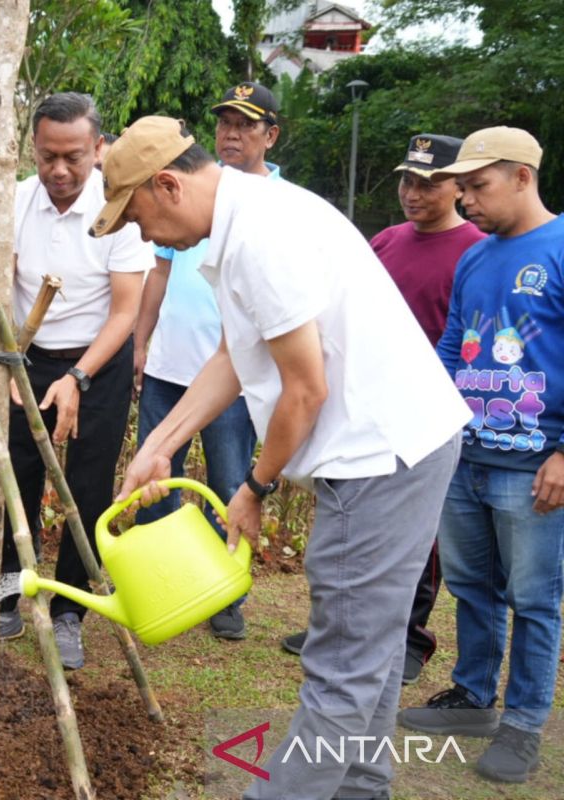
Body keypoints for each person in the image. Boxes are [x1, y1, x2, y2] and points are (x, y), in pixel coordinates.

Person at [98, 116, 469, 800]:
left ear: (168, 184)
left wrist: (254, 487)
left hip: (380, 455)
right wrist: (159, 445)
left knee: (343, 662)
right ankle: (362, 789)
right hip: (399, 443)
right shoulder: (247, 220)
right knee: (373, 644)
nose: (140, 233)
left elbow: (304, 389)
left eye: (136, 214)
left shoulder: (261, 238)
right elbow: (237, 354)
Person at [281, 134, 485, 684]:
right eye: (407, 181)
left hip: (430, 413)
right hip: (363, 411)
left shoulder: (474, 250)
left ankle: (409, 638)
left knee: (418, 541)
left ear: (459, 188)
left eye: (429, 183)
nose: (413, 194)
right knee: (348, 533)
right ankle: (338, 629)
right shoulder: (387, 241)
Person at [397, 127, 564, 785]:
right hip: (465, 458)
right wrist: (429, 423)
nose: (465, 201)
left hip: (534, 465)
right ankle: (472, 695)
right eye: (461, 188)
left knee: (535, 598)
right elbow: (451, 347)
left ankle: (523, 725)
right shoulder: (475, 257)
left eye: (477, 186)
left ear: (522, 175)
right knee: (472, 586)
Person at [0, 93, 153, 669]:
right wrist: (8, 362)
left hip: (98, 363)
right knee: (16, 476)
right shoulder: (11, 202)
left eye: (74, 157)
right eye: (47, 157)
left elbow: (124, 312)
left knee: (87, 487)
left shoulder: (120, 209)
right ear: (32, 151)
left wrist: (79, 377)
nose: (59, 171)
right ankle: (8, 596)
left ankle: (69, 612)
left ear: (99, 149)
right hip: (26, 358)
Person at [131, 81, 281, 641]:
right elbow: (160, 272)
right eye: (224, 123)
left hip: (233, 381)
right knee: (156, 478)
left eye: (245, 125)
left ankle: (226, 595)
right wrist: (141, 343)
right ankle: (161, 580)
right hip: (173, 367)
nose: (232, 134)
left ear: (270, 134)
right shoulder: (186, 198)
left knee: (228, 483)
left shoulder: (272, 207)